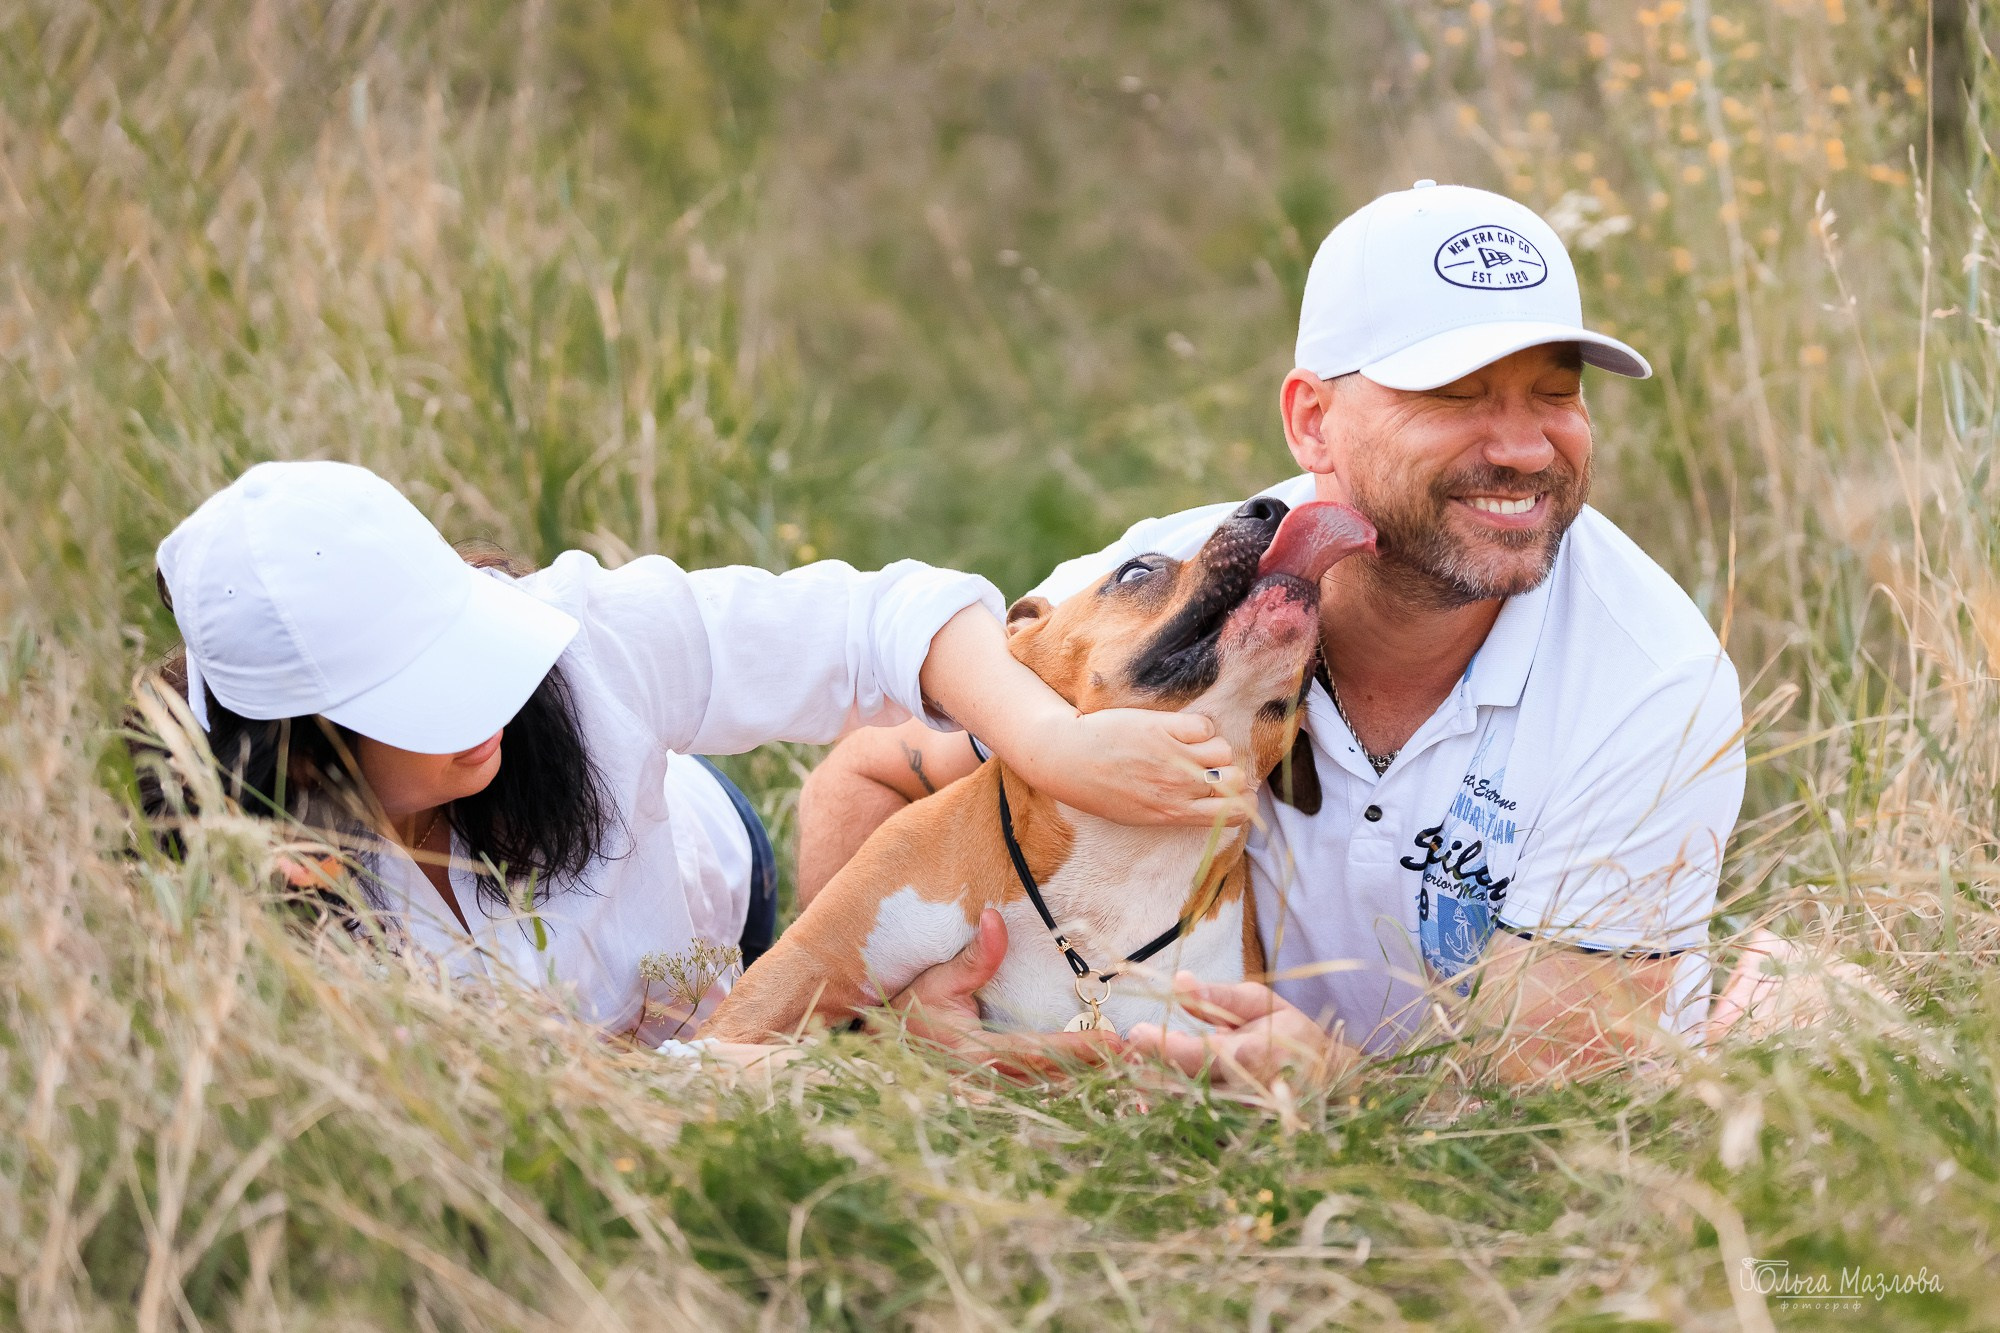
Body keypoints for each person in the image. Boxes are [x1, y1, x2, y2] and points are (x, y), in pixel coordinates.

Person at [800, 182, 1748, 1084]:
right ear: (1312, 421)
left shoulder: (1648, 682)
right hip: (1164, 1163)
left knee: (1747, 1039)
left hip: (1427, 1197)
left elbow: (1551, 1122)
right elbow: (874, 773)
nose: (1523, 446)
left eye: (1556, 392)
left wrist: (1340, 1091)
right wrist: (889, 1026)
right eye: (1456, 395)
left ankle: (1762, 1014)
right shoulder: (1160, 599)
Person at [137, 460, 1241, 1053]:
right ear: (296, 755)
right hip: (644, 1056)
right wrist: (758, 1061)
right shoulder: (258, 915)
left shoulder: (584, 644)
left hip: (711, 876)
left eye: (467, 653)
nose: (483, 712)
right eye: (417, 705)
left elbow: (880, 618)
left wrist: (1051, 742)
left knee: (896, 792)